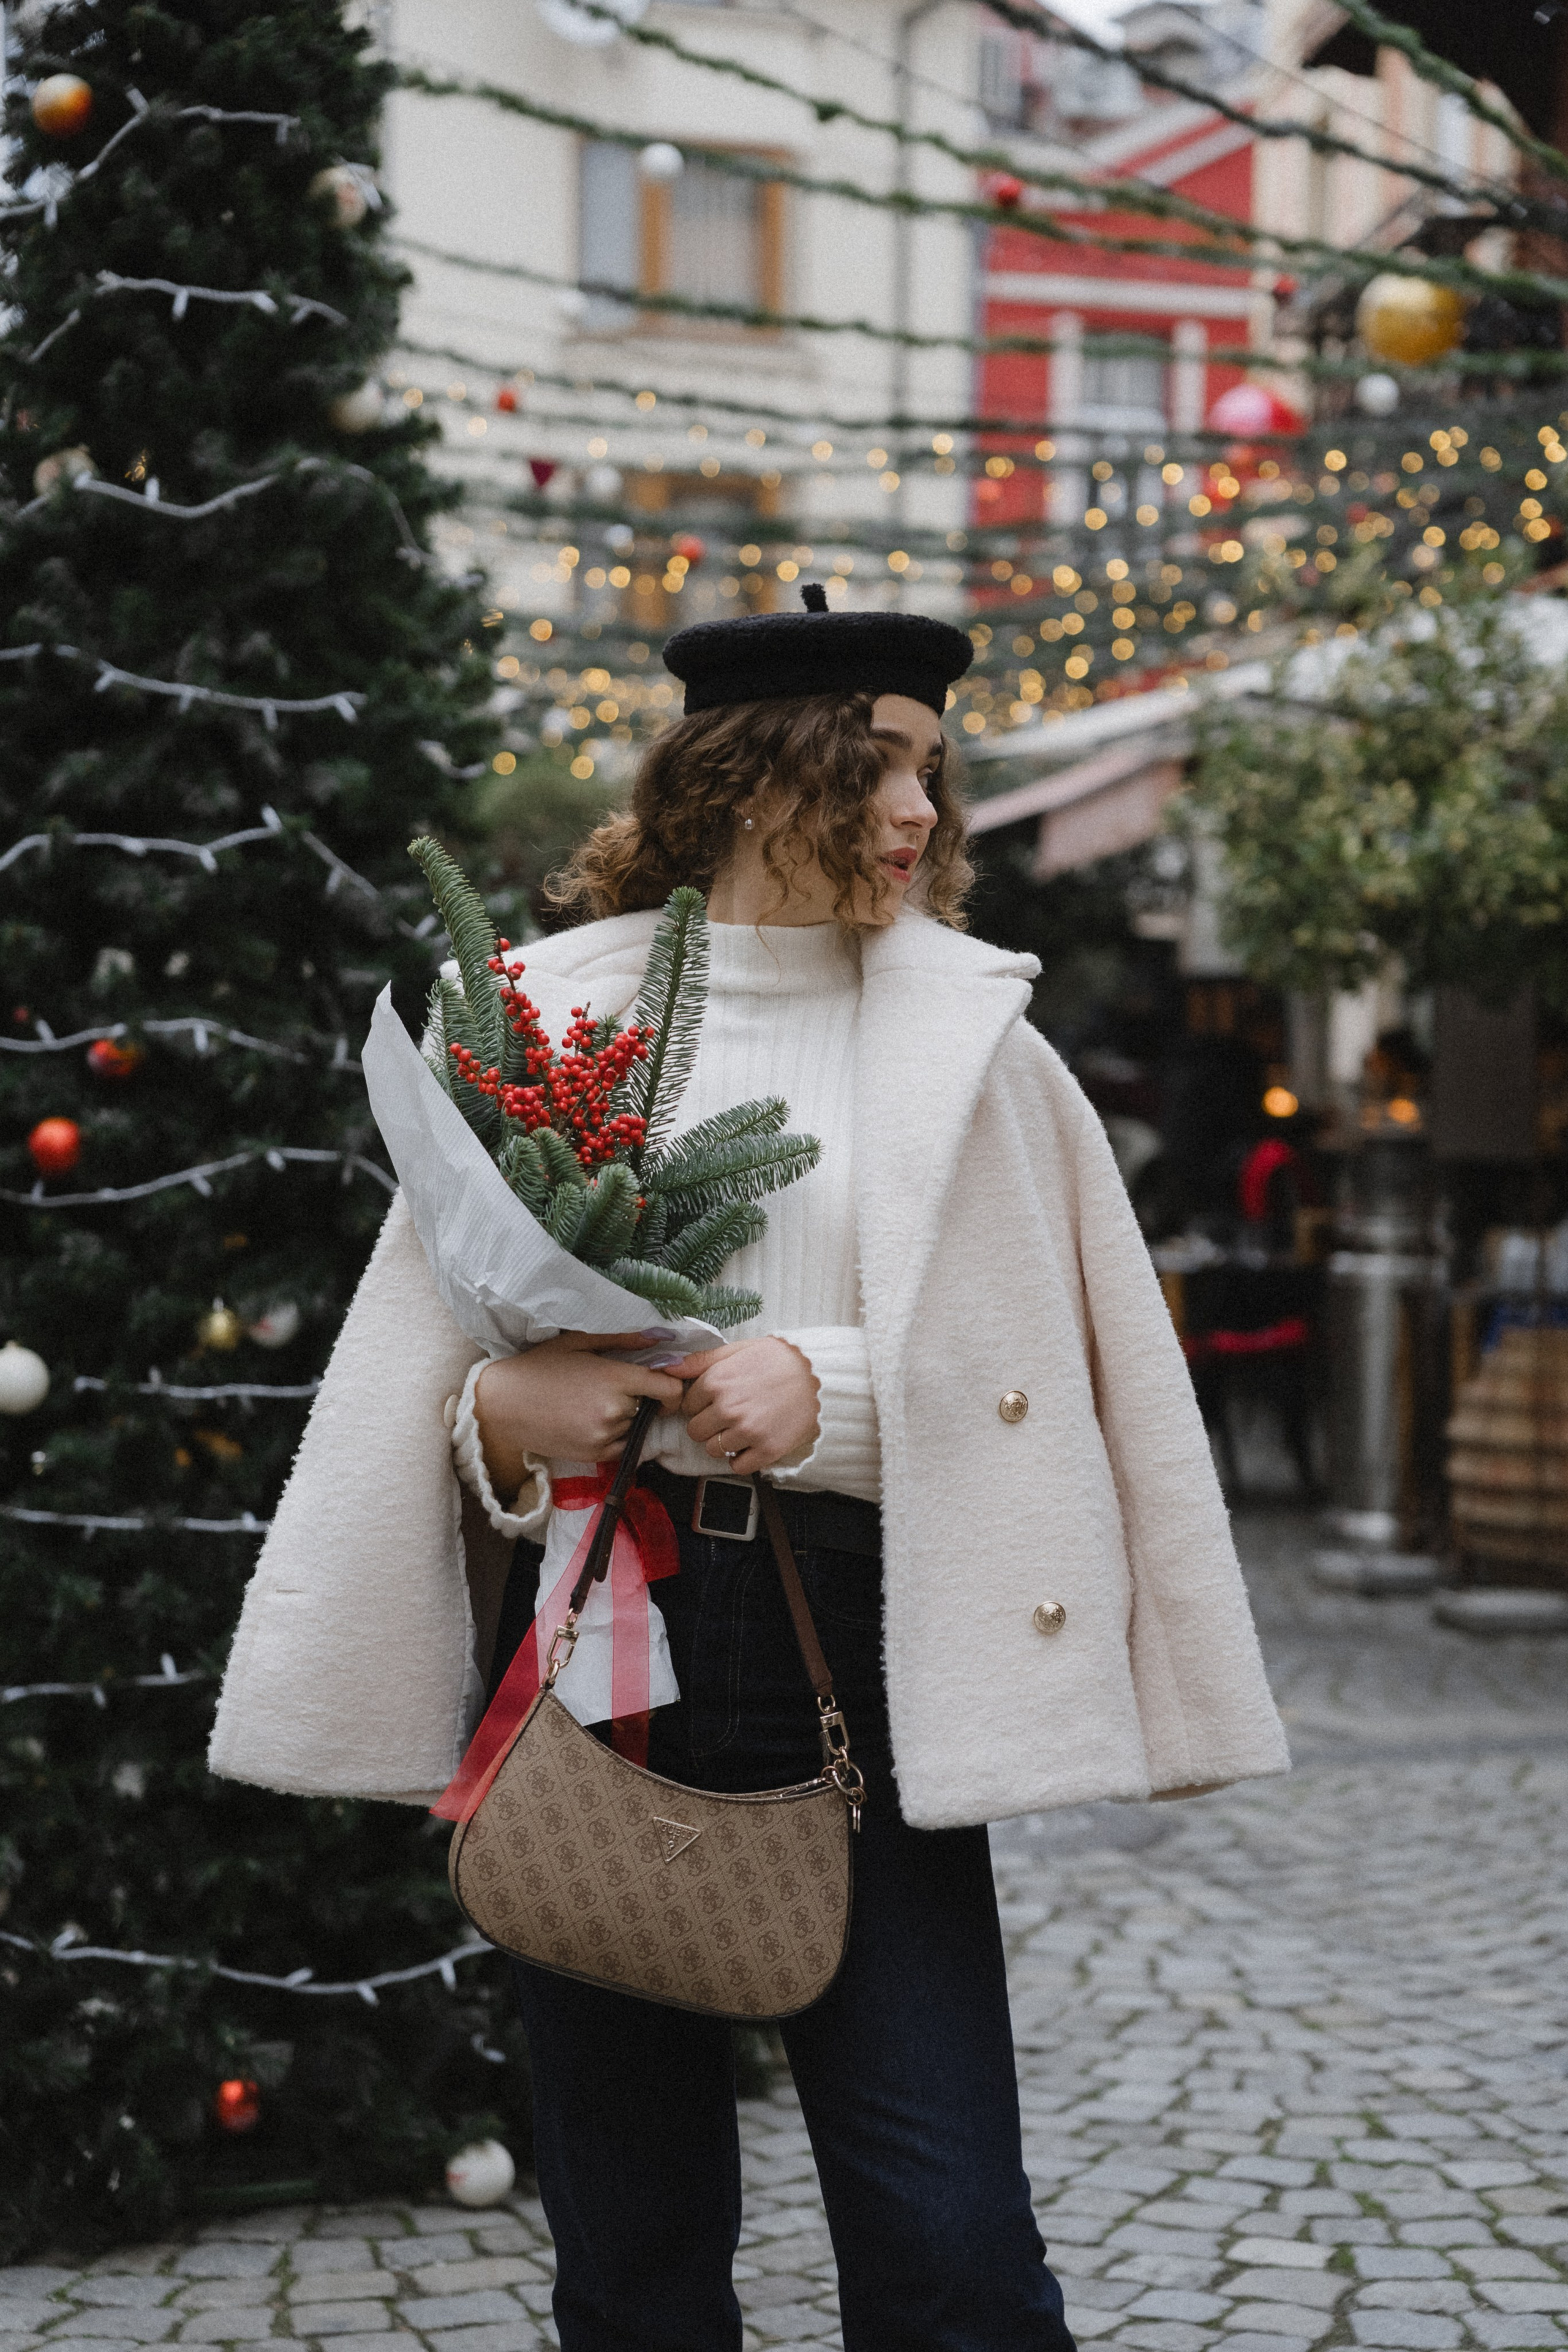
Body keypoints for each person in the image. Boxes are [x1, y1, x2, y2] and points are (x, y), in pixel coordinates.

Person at [211, 590, 1289, 2352]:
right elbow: (421, 1375)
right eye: (882, 766)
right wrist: (505, 1421)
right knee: (630, 2243)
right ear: (752, 773)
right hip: (598, 1638)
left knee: (950, 2239)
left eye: (932, 771)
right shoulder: (541, 1014)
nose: (921, 810)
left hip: (867, 1646)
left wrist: (830, 1390)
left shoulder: (980, 1046)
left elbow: (1052, 1387)